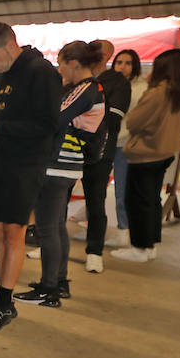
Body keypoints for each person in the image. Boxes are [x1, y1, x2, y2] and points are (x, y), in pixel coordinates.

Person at [0, 22, 62, 333]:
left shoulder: (41, 72)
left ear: (9, 46)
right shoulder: (2, 74)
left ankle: (5, 302)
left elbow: (47, 125)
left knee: (14, 232)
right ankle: (0, 296)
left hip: (26, 164)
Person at [14, 41, 104, 308]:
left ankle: (49, 288)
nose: (59, 68)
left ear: (73, 64)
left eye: (61, 63)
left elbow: (55, 116)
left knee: (47, 228)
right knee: (56, 226)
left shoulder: (86, 89)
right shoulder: (86, 89)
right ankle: (59, 282)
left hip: (58, 164)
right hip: (64, 163)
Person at [114, 49, 180, 262]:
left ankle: (139, 247)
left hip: (145, 152)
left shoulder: (158, 91)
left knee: (138, 201)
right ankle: (149, 245)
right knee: (151, 200)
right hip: (165, 151)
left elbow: (134, 121)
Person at [77, 41, 132, 272]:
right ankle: (47, 243)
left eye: (97, 51)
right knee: (57, 198)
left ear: (107, 54)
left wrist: (81, 114)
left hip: (100, 150)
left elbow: (112, 116)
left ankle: (94, 251)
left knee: (95, 200)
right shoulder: (79, 79)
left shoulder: (117, 81)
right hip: (70, 147)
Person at [109, 49, 144, 235]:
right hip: (106, 142)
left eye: (128, 63)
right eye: (119, 62)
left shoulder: (141, 88)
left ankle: (124, 230)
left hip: (126, 144)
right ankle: (92, 226)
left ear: (135, 66)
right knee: (95, 189)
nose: (122, 66)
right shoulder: (107, 83)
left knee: (122, 191)